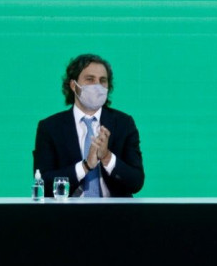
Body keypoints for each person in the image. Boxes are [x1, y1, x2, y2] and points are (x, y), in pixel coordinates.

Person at [33, 53, 145, 197]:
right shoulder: (50, 127)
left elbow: (136, 182)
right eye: (90, 79)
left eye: (102, 80)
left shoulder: (124, 123)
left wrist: (107, 157)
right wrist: (85, 166)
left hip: (115, 215)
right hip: (67, 215)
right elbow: (43, 182)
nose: (97, 85)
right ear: (74, 85)